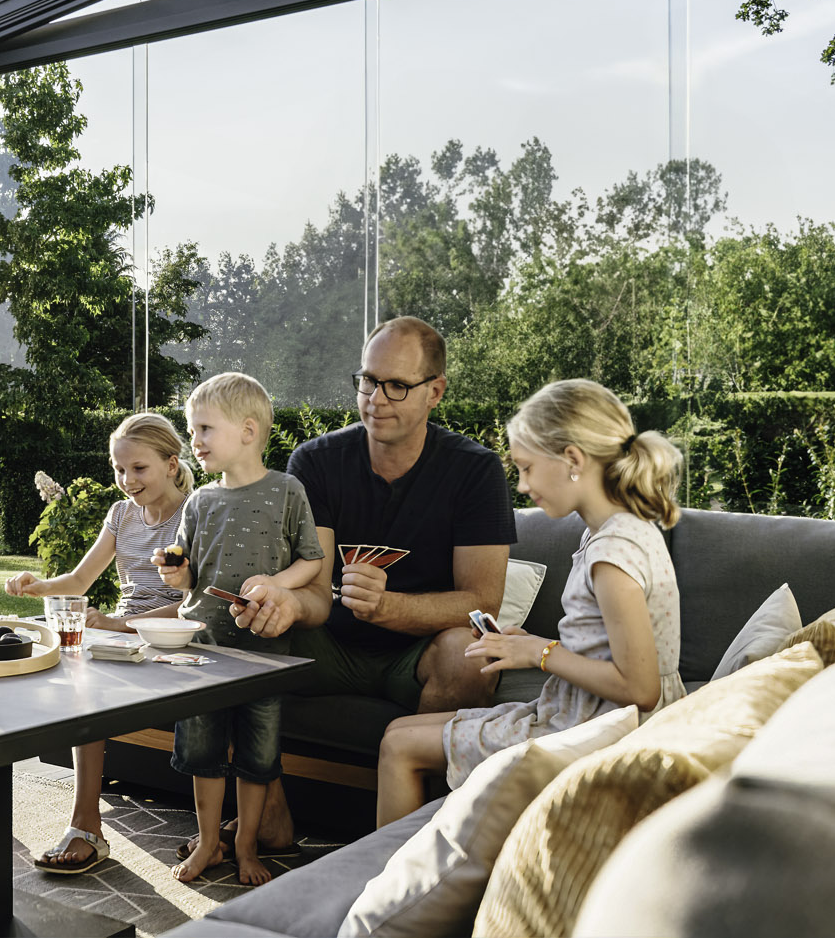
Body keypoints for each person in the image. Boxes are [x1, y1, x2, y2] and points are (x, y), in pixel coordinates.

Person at [192, 315, 514, 858]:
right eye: (367, 380)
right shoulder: (316, 462)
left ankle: (425, 838)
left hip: (416, 653)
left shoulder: (475, 470)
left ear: (435, 392)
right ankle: (270, 821)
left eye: (396, 385)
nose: (376, 399)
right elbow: (313, 587)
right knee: (230, 633)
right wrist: (284, 602)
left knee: (469, 653)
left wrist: (390, 607)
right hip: (328, 643)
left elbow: (482, 602)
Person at [375, 378, 685, 824]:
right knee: (397, 731)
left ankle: (395, 889)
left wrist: (538, 653)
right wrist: (526, 646)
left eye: (526, 468)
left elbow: (640, 688)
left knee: (398, 746)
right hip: (585, 713)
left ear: (572, 460)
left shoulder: (612, 554)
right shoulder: (617, 530)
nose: (522, 486)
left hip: (594, 731)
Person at [1, 412, 191, 873]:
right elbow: (81, 578)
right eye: (118, 469)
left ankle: (86, 825)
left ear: (170, 463)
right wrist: (38, 585)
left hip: (170, 637)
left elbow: (191, 604)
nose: (126, 480)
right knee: (12, 659)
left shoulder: (195, 512)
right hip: (121, 633)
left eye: (138, 468)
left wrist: (117, 625)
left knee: (83, 684)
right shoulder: (121, 514)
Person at [156, 373, 324, 886]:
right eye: (192, 428)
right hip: (202, 652)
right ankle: (209, 844)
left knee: (257, 760)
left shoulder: (288, 490)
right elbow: (188, 573)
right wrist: (175, 573)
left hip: (264, 657)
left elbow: (311, 562)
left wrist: (275, 584)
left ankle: (246, 846)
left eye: (205, 428)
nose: (195, 441)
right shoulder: (200, 501)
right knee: (203, 755)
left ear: (248, 431)